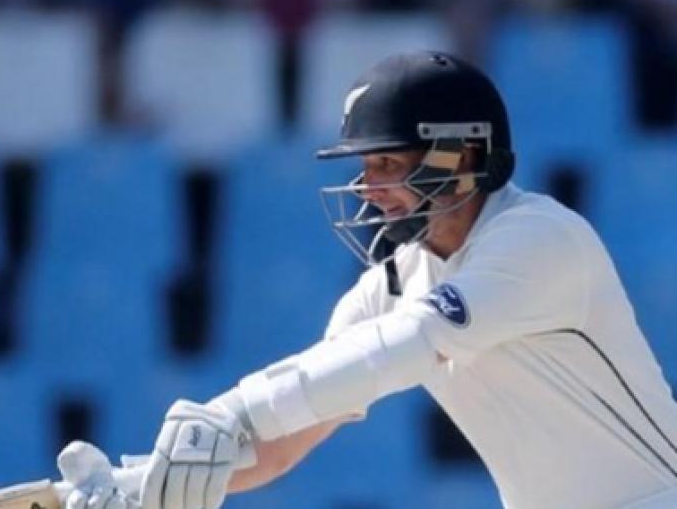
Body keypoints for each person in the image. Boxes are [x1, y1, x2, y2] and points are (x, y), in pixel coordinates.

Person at [56, 51, 677, 509]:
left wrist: (229, 410)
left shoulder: (541, 239)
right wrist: (139, 488)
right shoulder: (391, 285)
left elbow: (413, 342)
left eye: (387, 162)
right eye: (365, 165)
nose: (368, 187)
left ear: (461, 156)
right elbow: (283, 442)